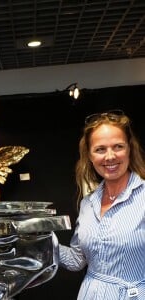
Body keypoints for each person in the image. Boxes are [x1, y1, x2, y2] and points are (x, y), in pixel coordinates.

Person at [59, 110, 145, 299]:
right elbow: (76, 260)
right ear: (89, 155)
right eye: (100, 149)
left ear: (130, 149)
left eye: (118, 147)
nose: (110, 156)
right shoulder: (88, 203)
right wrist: (39, 241)